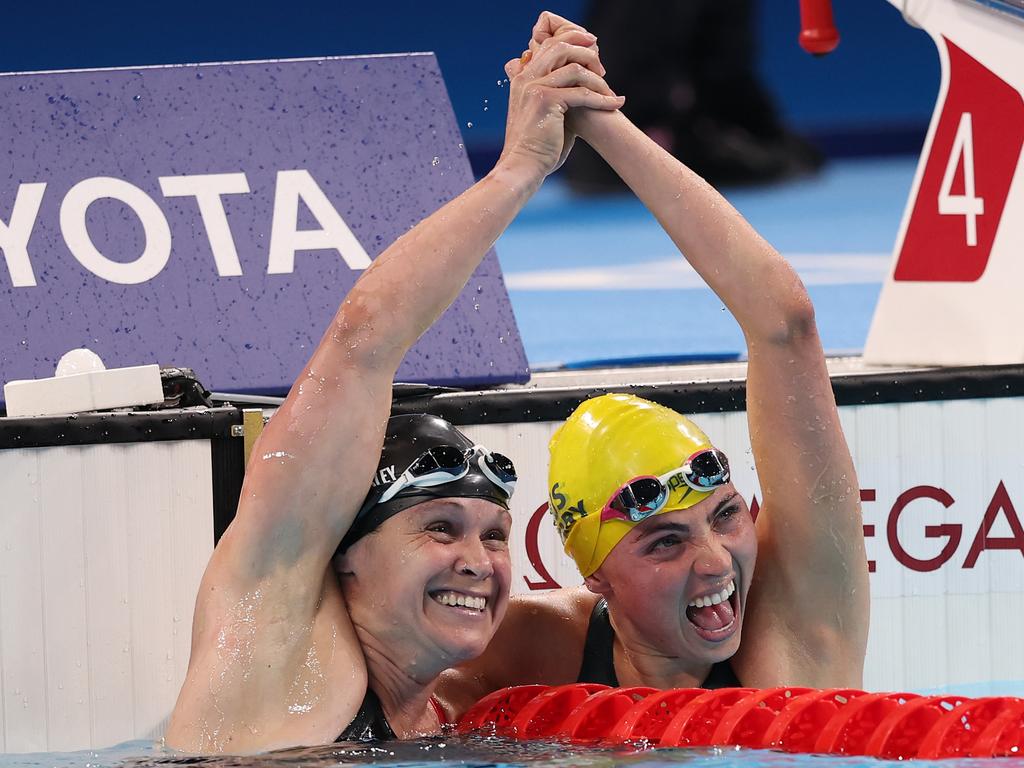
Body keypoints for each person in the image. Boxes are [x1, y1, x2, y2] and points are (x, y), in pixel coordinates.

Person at [163, 17, 623, 753]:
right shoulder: (279, 647)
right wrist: (519, 171)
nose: (478, 561)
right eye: (439, 527)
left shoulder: (451, 714)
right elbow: (365, 337)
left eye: (496, 536)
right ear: (344, 549)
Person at [438, 13, 869, 710]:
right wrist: (519, 171)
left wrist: (600, 118)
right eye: (664, 544)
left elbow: (785, 323)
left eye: (725, 515)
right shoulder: (525, 653)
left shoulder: (793, 644)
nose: (715, 560)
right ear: (595, 579)